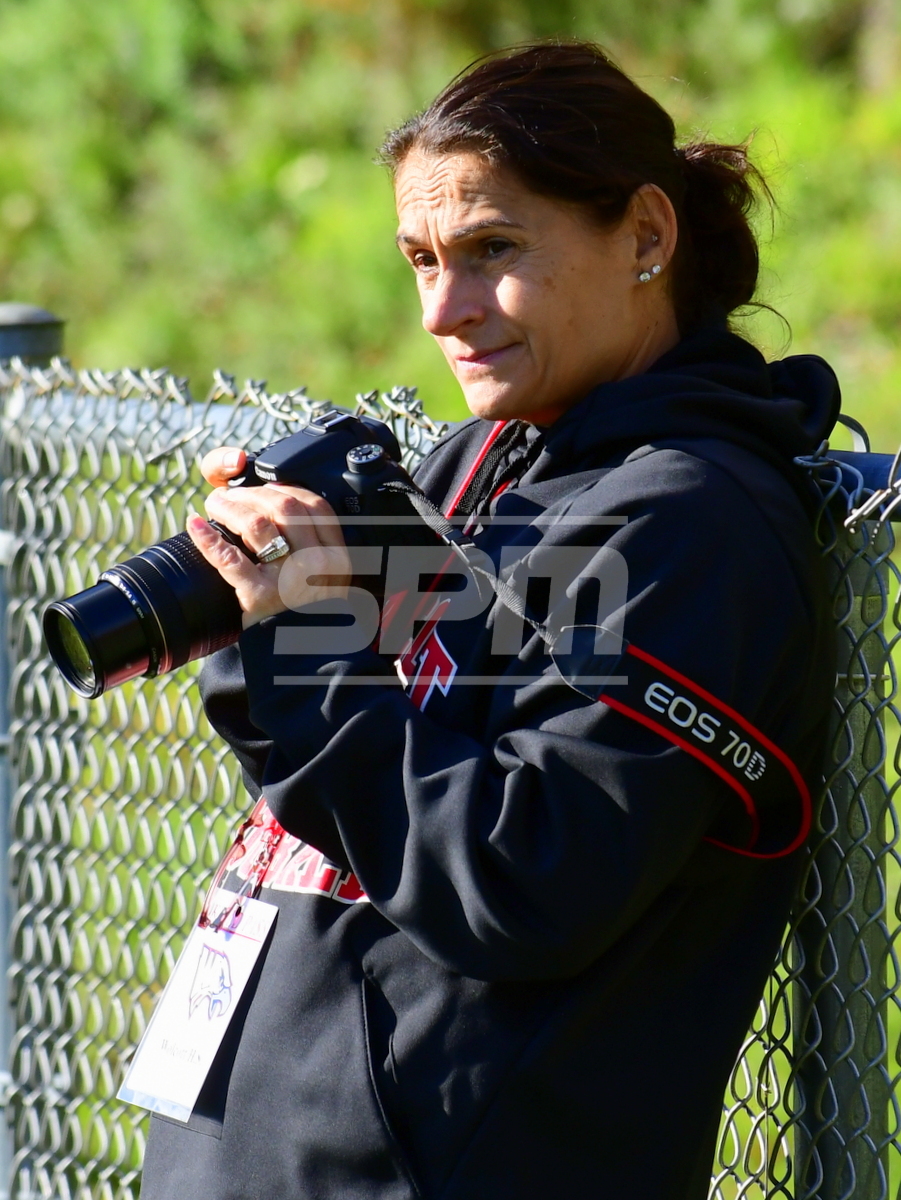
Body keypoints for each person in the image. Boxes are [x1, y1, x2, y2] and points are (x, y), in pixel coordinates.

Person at [139, 41, 839, 1200]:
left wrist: (312, 641)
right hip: (258, 1151)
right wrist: (257, 585)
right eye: (420, 260)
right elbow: (335, 769)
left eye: (492, 251)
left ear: (646, 236)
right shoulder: (473, 465)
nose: (442, 311)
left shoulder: (688, 523)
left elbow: (522, 878)